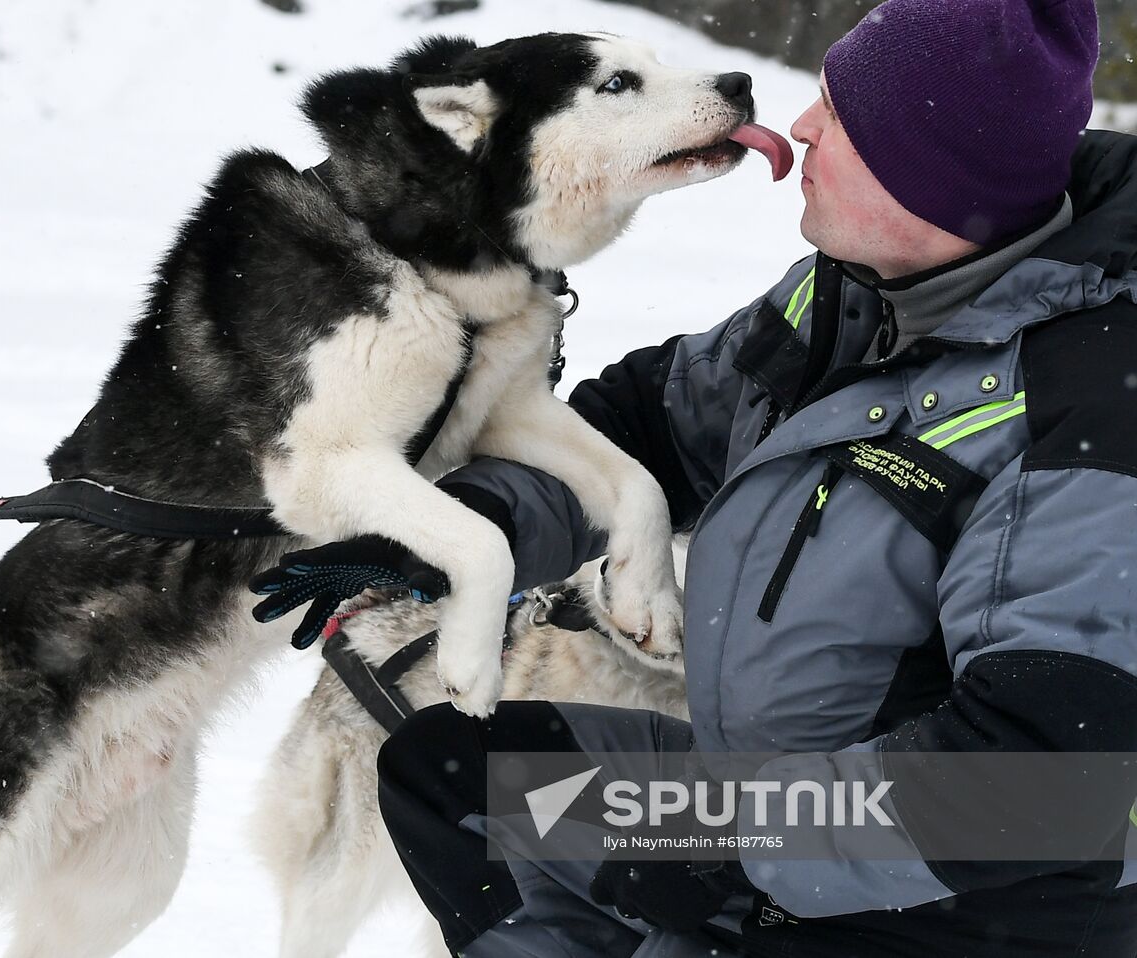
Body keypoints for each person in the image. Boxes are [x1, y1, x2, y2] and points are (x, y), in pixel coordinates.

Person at [252, 0, 1137, 954]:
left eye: (839, 116)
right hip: (761, 812)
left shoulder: (1086, 408)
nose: (799, 125)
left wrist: (736, 843)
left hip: (957, 903)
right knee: (466, 775)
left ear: (927, 171)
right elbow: (639, 429)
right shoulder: (850, 295)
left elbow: (1050, 782)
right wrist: (451, 530)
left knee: (641, 874)